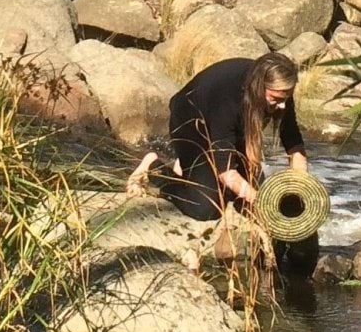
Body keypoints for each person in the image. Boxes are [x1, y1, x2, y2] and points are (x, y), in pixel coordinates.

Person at [127, 53, 308, 221]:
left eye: (286, 98)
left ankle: (188, 170)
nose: (283, 106)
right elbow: (226, 170)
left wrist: (301, 184)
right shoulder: (228, 100)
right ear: (259, 87)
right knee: (205, 208)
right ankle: (155, 169)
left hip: (230, 126)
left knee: (248, 198)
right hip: (192, 124)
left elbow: (293, 142)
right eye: (276, 99)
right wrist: (264, 204)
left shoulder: (280, 91)